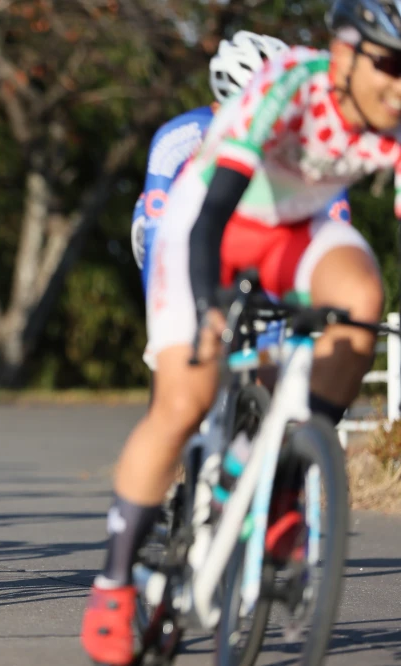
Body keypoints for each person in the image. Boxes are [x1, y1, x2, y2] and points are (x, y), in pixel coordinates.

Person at [81, 3, 401, 663]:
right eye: (390, 66)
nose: (400, 87)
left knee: (361, 300)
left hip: (296, 227)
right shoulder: (291, 85)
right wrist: (208, 307)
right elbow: (213, 210)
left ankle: (284, 483)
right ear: (344, 56)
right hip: (209, 222)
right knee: (184, 401)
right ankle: (114, 584)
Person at [132, 32, 352, 373]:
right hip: (184, 225)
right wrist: (161, 325)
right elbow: (155, 225)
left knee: (270, 360)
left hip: (258, 228)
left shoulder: (299, 135)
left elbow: (336, 210)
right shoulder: (179, 136)